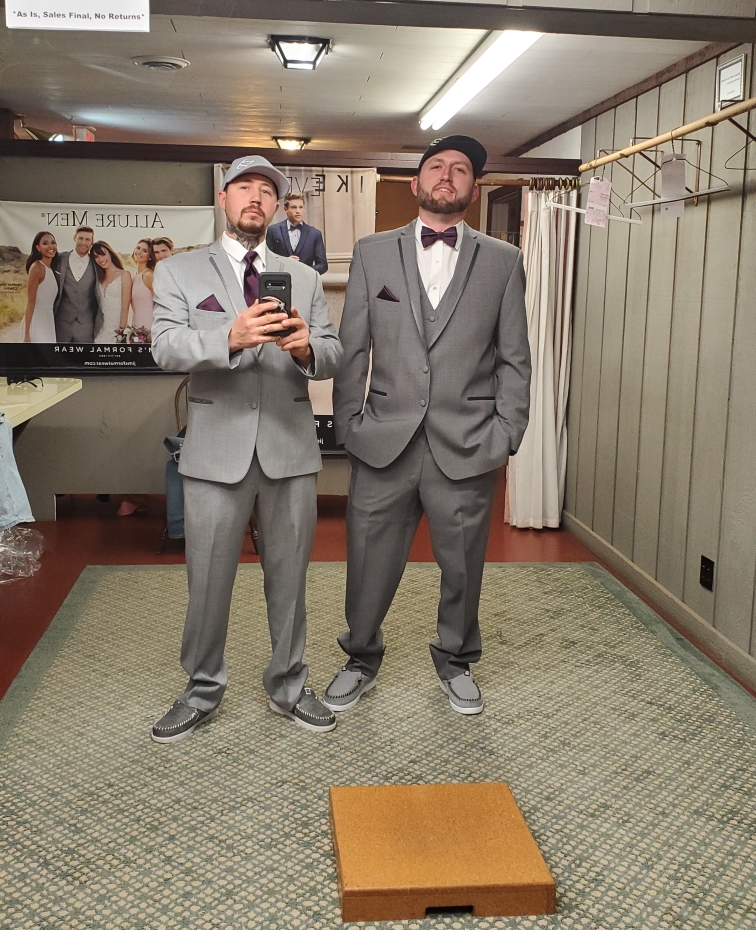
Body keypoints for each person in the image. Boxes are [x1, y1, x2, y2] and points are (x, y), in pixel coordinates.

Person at [324, 135, 531, 717]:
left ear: (474, 189)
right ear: (415, 184)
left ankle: (456, 659)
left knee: (463, 564)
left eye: (460, 169)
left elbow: (515, 357)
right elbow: (353, 346)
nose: (447, 175)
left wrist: (506, 433)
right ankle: (360, 657)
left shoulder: (503, 260)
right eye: (435, 166)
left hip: (468, 443)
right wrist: (349, 425)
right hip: (382, 440)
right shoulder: (372, 253)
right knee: (368, 560)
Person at [150, 155, 343, 744]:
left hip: (290, 448)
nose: (255, 197)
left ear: (278, 206)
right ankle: (201, 688)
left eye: (267, 190)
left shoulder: (304, 277)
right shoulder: (179, 271)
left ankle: (289, 683)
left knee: (290, 578)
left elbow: (334, 353)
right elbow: (164, 345)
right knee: (208, 580)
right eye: (244, 187)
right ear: (223, 197)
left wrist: (307, 349)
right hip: (215, 451)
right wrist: (227, 338)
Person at [53, 226, 101, 343]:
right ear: (74, 238)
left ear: (92, 241)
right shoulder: (59, 258)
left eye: (87, 239)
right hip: (61, 322)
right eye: (80, 238)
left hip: (86, 325)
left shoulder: (97, 263)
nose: (83, 243)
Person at [266, 192, 328, 274]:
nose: (298, 211)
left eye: (301, 207)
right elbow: (267, 260)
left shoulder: (315, 234)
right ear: (285, 209)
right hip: (282, 279)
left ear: (304, 209)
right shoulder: (273, 230)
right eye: (294, 207)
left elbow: (323, 265)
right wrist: (285, 262)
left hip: (305, 280)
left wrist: (303, 271)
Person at [92, 241, 132, 344]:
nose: (101, 259)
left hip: (117, 330)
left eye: (103, 254)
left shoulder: (124, 275)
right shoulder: (99, 277)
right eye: (96, 257)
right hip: (100, 330)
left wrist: (121, 332)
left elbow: (125, 307)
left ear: (110, 253)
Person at [23, 232, 59, 343]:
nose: (50, 246)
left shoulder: (51, 269)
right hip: (37, 322)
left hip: (48, 322)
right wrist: (26, 333)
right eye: (45, 243)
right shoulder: (37, 267)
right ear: (38, 247)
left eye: (53, 242)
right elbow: (30, 303)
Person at [130, 238, 155, 337]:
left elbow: (160, 305)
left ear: (150, 257)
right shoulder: (132, 276)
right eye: (138, 248)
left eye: (145, 251)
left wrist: (153, 330)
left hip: (150, 326)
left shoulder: (149, 275)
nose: (139, 252)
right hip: (135, 326)